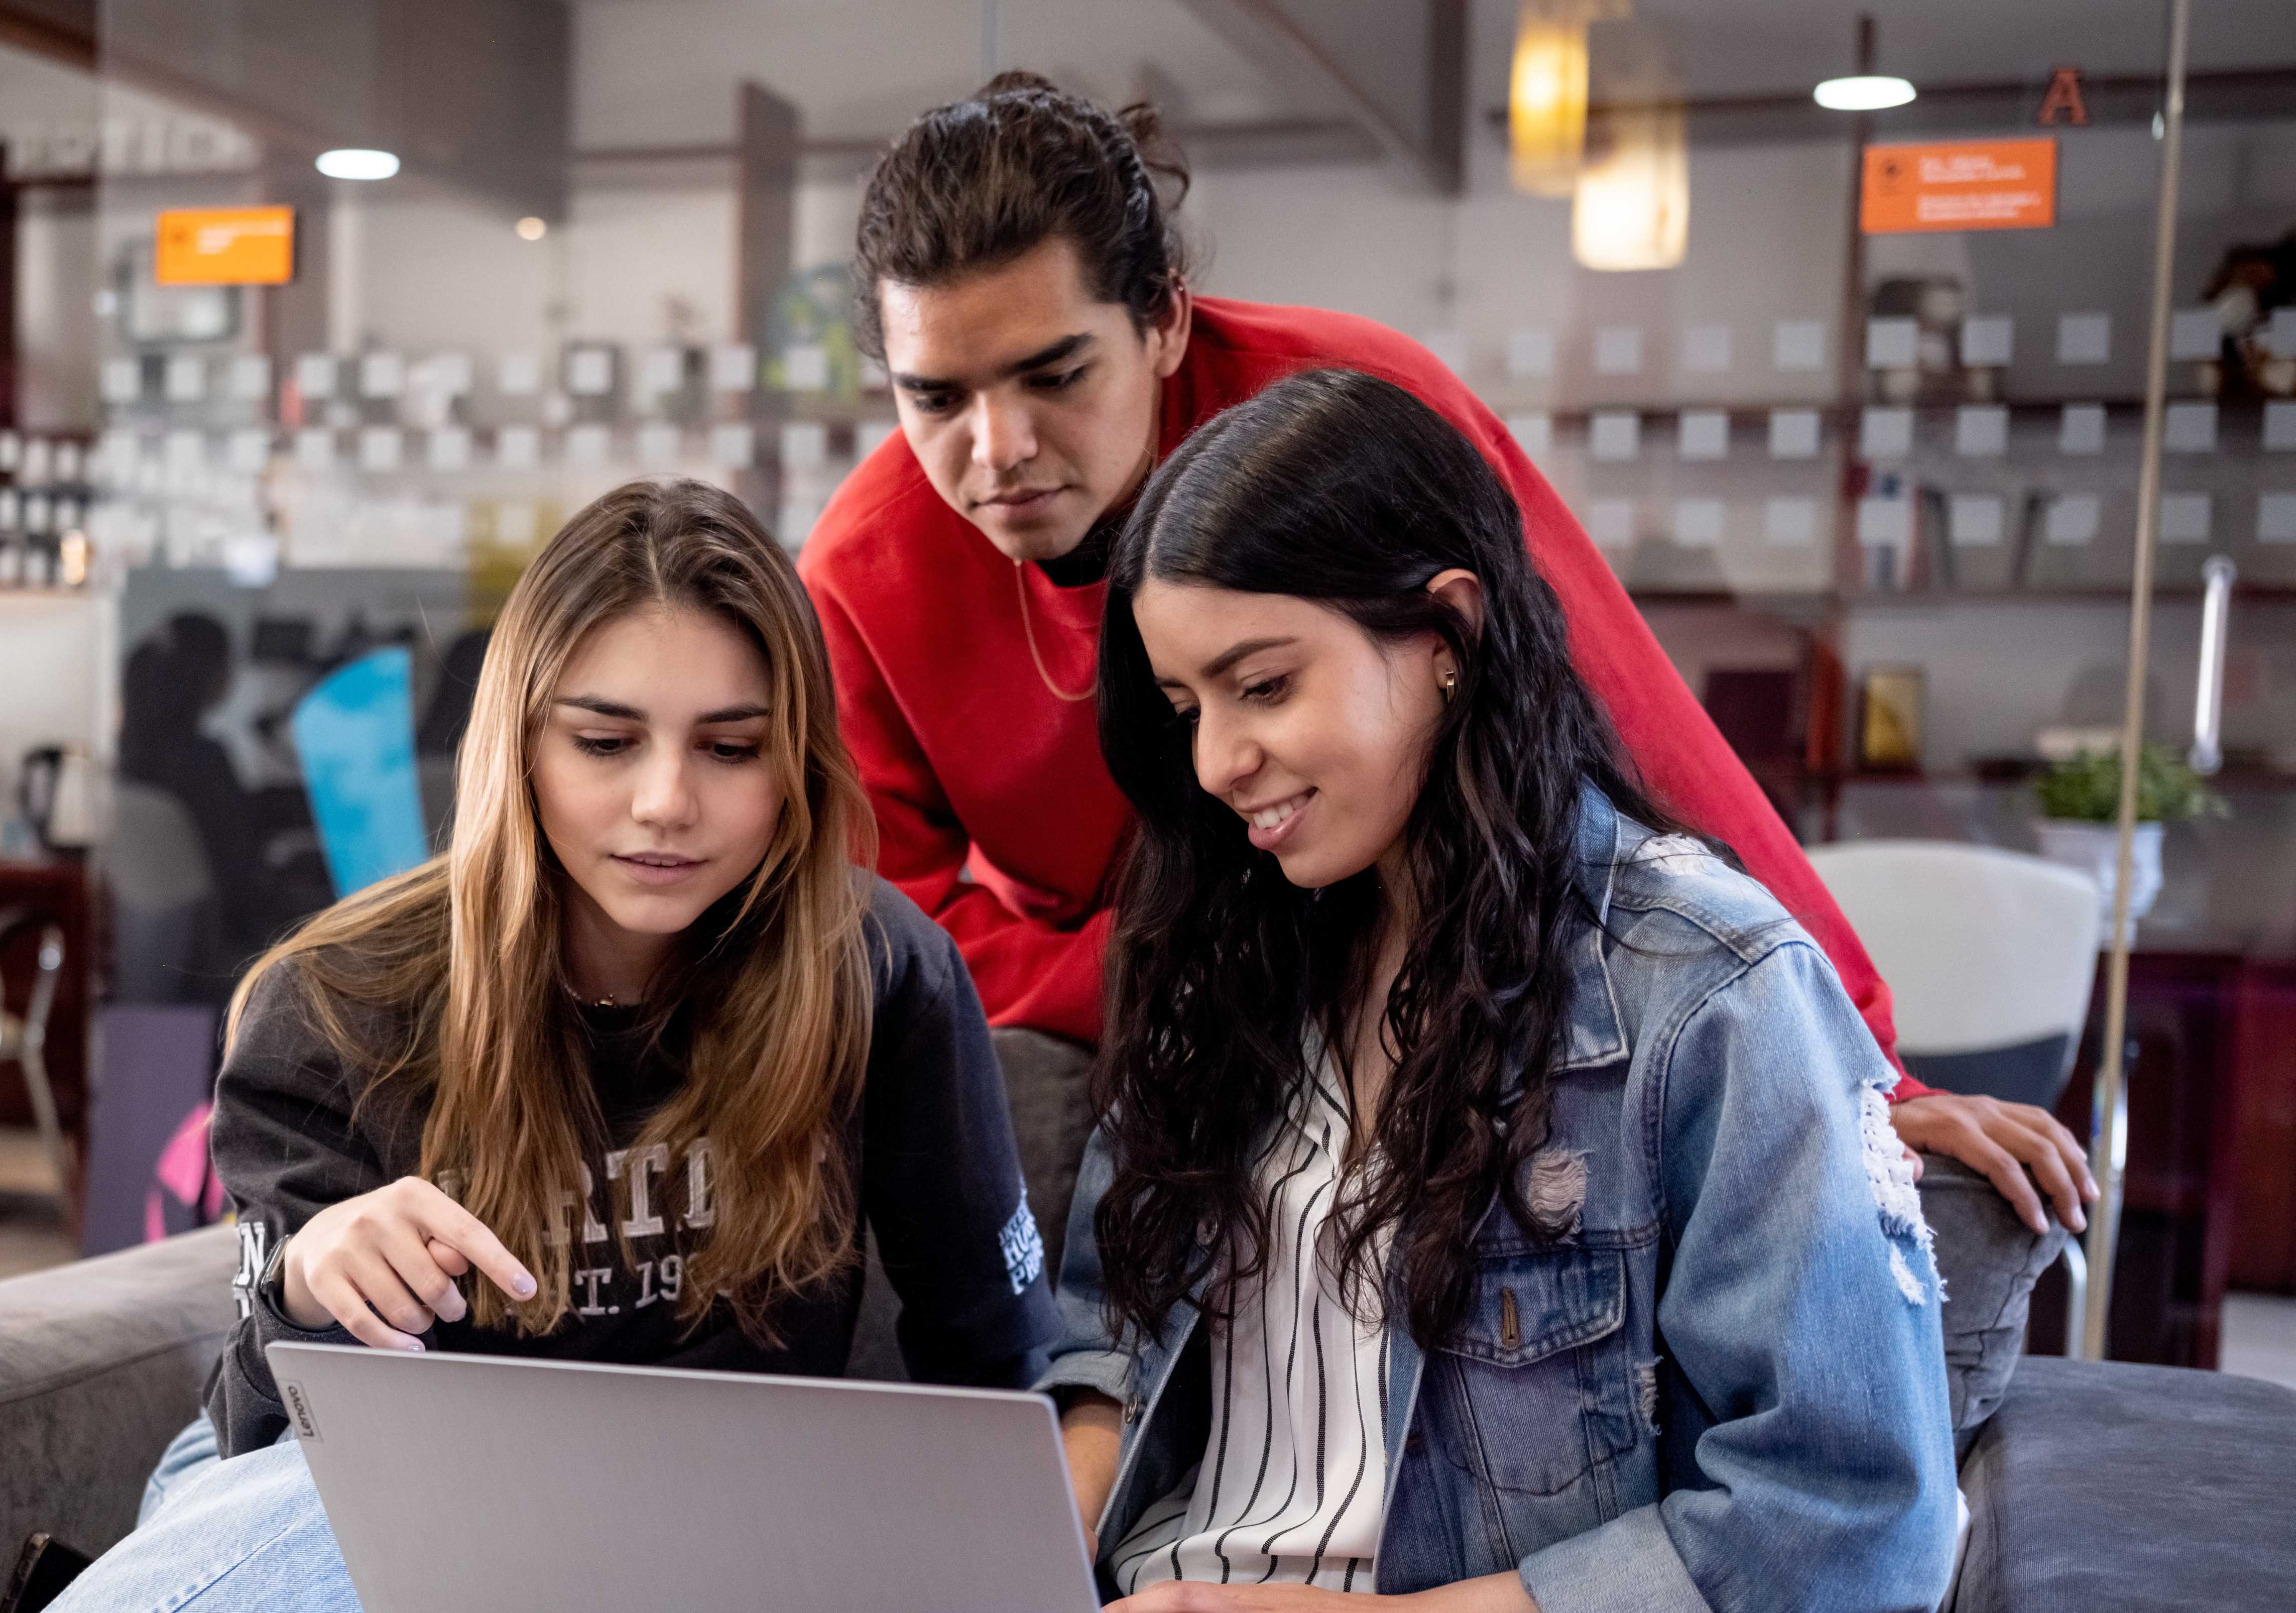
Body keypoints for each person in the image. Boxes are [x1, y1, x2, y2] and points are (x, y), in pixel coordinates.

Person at [0, 477, 1061, 1613]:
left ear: (796, 763)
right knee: (379, 1531)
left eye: (730, 748)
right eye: (605, 741)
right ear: (519, 741)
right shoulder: (338, 998)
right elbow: (261, 1436)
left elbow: (996, 1364)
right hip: (314, 1512)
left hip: (666, 1554)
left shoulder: (874, 973)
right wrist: (307, 1279)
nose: (665, 801)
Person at [804, 72, 2092, 1236]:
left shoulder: (1355, 413)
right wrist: (1168, 974)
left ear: (1167, 322)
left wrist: (1869, 1067)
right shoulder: (863, 565)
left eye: (1054, 375)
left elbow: (1634, 724)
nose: (998, 449)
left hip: (1435, 952)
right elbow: (870, 927)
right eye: (937, 397)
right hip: (1152, 1003)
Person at [1050, 368, 1956, 1613]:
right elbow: (1105, 1336)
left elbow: (1850, 1522)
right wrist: (1024, 1589)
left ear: (1448, 636)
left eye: (1264, 685)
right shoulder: (1219, 951)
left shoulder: (1705, 985)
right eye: (1184, 706)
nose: (1219, 761)